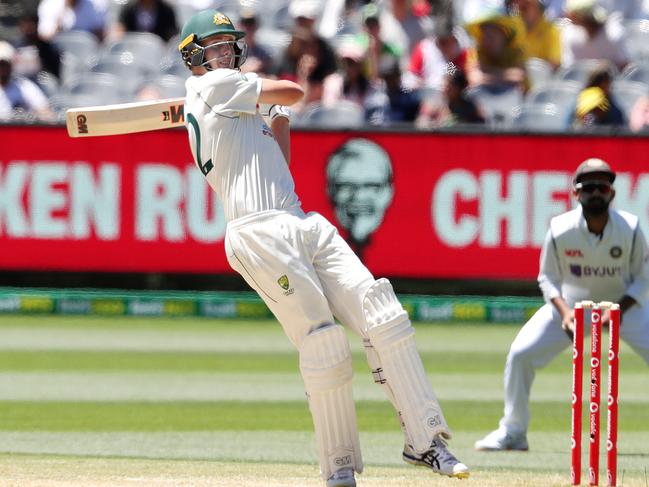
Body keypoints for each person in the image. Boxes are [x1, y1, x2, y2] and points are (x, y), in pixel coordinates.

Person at [177, 9, 470, 487]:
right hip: (256, 231)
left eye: (229, 44)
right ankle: (339, 468)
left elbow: (279, 160)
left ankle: (426, 441)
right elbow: (292, 90)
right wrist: (277, 97)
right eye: (214, 47)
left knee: (382, 312)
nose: (226, 53)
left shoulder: (232, 102)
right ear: (194, 59)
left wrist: (279, 124)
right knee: (323, 341)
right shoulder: (208, 88)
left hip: (297, 217)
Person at [475, 158, 649, 451]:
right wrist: (566, 314)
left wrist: (616, 311)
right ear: (575, 193)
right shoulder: (560, 228)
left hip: (623, 307)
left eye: (602, 187)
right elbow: (547, 278)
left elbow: (644, 279)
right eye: (588, 187)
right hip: (572, 307)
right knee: (520, 354)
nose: (596, 193)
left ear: (612, 194)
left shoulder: (630, 229)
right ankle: (514, 431)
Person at [0, 40, 52, 120]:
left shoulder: (24, 86)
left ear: (11, 64)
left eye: (5, 64)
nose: (2, 68)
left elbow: (46, 113)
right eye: (0, 64)